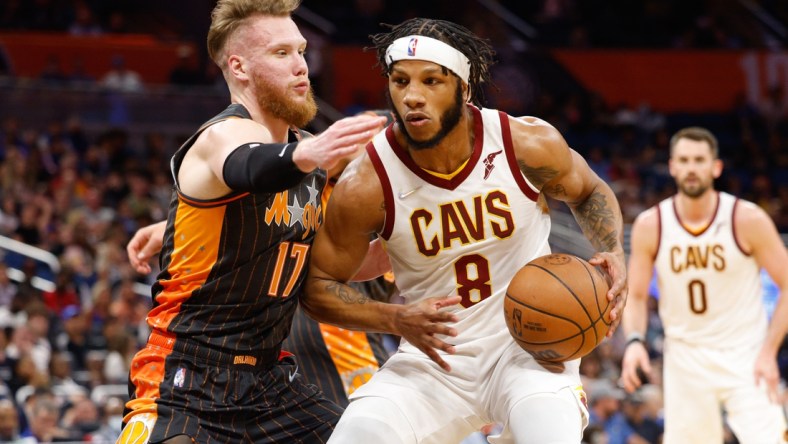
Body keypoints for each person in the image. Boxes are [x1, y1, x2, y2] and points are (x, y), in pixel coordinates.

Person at [303, 18, 628, 443]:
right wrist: (396, 318)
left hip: (528, 350)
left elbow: (587, 191)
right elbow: (319, 286)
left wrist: (613, 251)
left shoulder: (523, 144)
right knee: (359, 434)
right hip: (430, 361)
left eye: (431, 81)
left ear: (464, 86)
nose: (413, 96)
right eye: (400, 81)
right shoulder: (366, 182)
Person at [116, 0, 386, 442]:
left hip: (268, 382)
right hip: (184, 380)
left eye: (301, 51)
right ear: (239, 67)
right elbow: (247, 165)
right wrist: (308, 156)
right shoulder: (224, 135)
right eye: (282, 54)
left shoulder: (309, 158)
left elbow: (334, 267)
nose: (301, 66)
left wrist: (417, 239)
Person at [620, 126, 788, 443]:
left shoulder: (746, 219)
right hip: (685, 358)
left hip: (746, 354)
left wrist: (769, 351)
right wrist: (634, 342)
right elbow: (637, 295)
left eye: (699, 160)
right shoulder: (651, 224)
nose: (692, 167)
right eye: (684, 160)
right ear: (672, 166)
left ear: (716, 167)